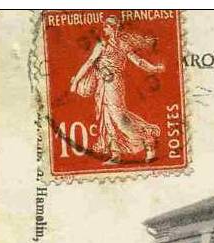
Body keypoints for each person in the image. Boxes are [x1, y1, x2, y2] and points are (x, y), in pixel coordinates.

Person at [69, 16, 164, 165]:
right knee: (106, 118)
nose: (104, 30)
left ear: (112, 28)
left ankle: (147, 140)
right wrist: (76, 81)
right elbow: (89, 63)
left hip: (114, 84)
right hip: (102, 84)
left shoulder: (122, 44)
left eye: (106, 27)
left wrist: (154, 68)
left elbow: (138, 61)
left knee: (118, 117)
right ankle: (115, 154)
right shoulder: (101, 45)